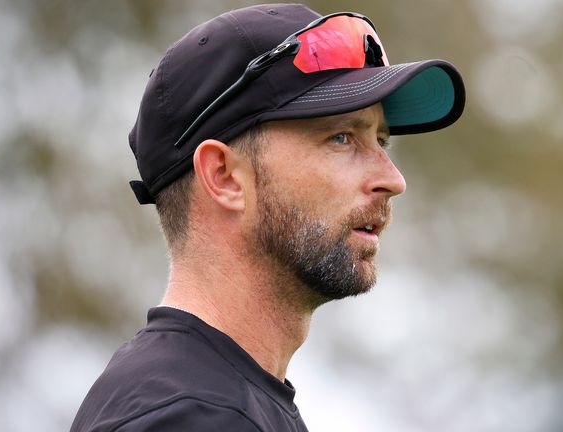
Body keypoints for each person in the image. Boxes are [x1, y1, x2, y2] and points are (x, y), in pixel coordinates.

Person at [70, 3, 465, 431]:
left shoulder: (205, 398)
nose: (392, 179)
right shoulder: (194, 416)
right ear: (224, 177)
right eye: (341, 137)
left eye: (381, 141)